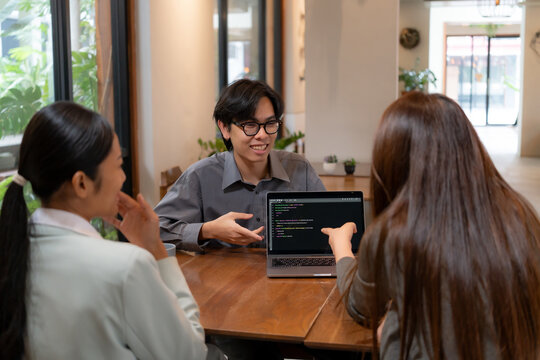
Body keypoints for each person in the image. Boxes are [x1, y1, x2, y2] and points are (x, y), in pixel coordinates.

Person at [322, 92, 540, 359]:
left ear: (392, 159)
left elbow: (361, 308)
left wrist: (341, 246)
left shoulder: (394, 234)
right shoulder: (521, 214)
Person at [0, 102, 218, 359]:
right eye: (117, 165)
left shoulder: (11, 250)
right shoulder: (125, 267)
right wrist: (156, 251)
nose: (123, 177)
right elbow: (189, 353)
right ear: (81, 183)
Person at [155, 79, 325, 252]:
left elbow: (330, 222)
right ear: (225, 129)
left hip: (291, 273)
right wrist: (207, 231)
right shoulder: (201, 175)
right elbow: (155, 229)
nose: (262, 134)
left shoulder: (299, 168)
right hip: (222, 276)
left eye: (270, 124)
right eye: (249, 125)